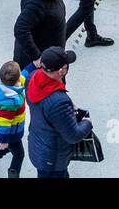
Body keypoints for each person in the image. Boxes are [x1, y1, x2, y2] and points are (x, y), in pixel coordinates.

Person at [25, 47, 93, 179]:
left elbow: (44, 108)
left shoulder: (33, 78)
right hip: (53, 157)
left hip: (38, 146)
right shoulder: (59, 101)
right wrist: (87, 121)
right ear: (61, 71)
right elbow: (73, 135)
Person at [0, 60, 30, 177]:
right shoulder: (10, 101)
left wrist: (33, 65)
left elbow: (23, 75)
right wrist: (4, 139)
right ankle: (13, 173)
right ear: (17, 81)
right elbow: (4, 122)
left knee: (8, 148)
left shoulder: (4, 84)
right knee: (18, 155)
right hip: (10, 132)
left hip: (12, 131)